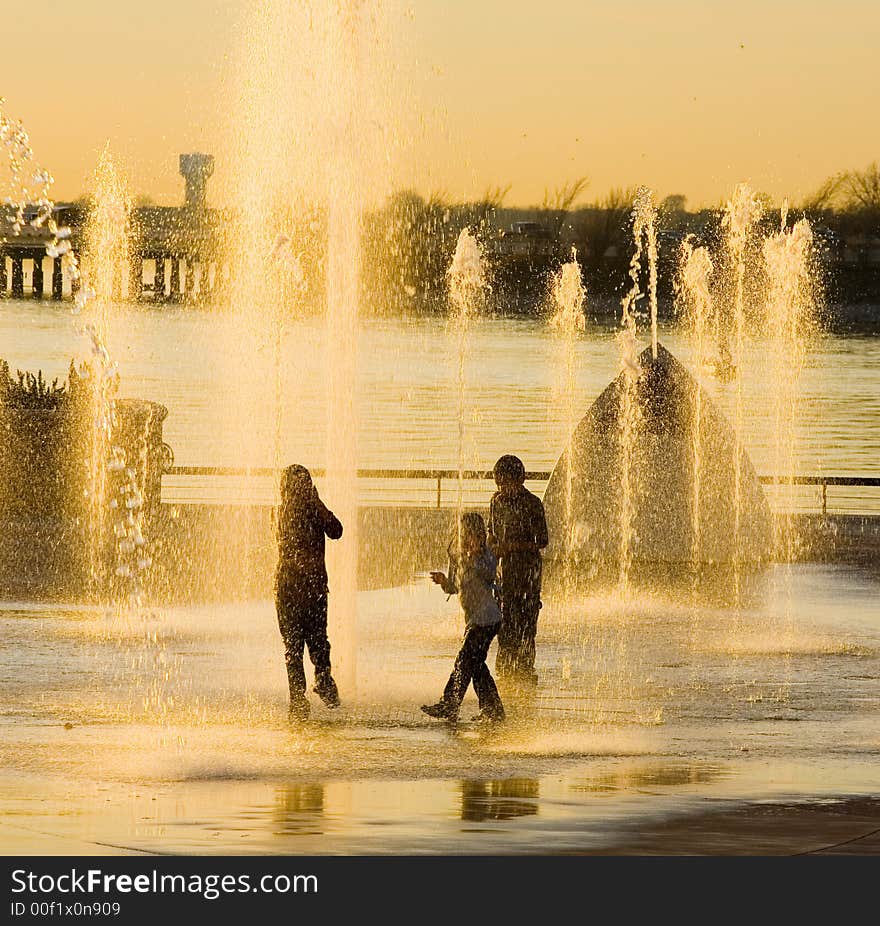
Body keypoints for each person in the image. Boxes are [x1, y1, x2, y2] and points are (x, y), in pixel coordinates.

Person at [421, 512, 505, 724]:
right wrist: (443, 581)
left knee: (464, 661)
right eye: (462, 532)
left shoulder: (486, 554)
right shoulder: (457, 555)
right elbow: (454, 587)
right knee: (476, 666)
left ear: (478, 534)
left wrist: (474, 557)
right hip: (474, 620)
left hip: (487, 619)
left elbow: (490, 574)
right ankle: (493, 710)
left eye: (469, 532)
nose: (465, 537)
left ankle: (449, 704)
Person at [274, 464, 343, 721]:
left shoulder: (303, 510)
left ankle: (311, 691)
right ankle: (306, 693)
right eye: (300, 486)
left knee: (308, 644)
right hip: (297, 589)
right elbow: (335, 530)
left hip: (301, 589)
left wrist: (317, 504)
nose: (303, 490)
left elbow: (337, 531)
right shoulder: (286, 512)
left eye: (306, 485)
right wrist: (317, 503)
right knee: (305, 644)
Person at [488, 454, 548, 691]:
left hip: (527, 576)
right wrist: (492, 544)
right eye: (499, 484)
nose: (503, 489)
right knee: (504, 627)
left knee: (525, 627)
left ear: (520, 480)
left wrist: (511, 547)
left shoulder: (532, 503)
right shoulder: (496, 501)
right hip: (504, 576)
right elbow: (491, 530)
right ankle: (505, 677)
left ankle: (524, 675)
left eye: (507, 484)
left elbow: (542, 540)